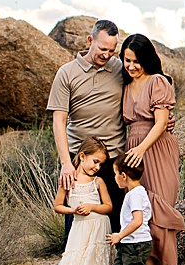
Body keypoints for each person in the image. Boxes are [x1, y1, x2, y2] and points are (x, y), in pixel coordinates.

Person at [122, 32, 185, 265]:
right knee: (141, 219)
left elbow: (161, 123)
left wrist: (141, 149)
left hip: (157, 149)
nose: (131, 66)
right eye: (126, 60)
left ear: (147, 59)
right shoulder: (125, 85)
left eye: (136, 60)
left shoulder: (157, 82)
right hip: (132, 151)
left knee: (160, 218)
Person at [46, 19, 127, 224]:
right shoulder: (66, 73)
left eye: (111, 50)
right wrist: (66, 164)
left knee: (115, 220)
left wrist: (165, 112)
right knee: (77, 222)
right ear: (90, 40)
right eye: (102, 48)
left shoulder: (119, 68)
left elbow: (149, 81)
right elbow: (59, 120)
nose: (106, 55)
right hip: (79, 159)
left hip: (114, 157)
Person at [44, 140, 113, 265]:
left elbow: (108, 207)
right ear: (82, 156)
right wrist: (73, 211)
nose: (97, 167)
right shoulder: (68, 181)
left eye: (101, 164)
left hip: (98, 226)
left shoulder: (98, 182)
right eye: (95, 161)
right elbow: (58, 206)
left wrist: (92, 207)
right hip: (80, 229)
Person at [107, 156, 156, 265]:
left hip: (136, 243)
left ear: (124, 175)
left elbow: (137, 221)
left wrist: (119, 235)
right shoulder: (132, 193)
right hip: (128, 243)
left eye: (115, 174)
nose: (114, 178)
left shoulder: (135, 194)